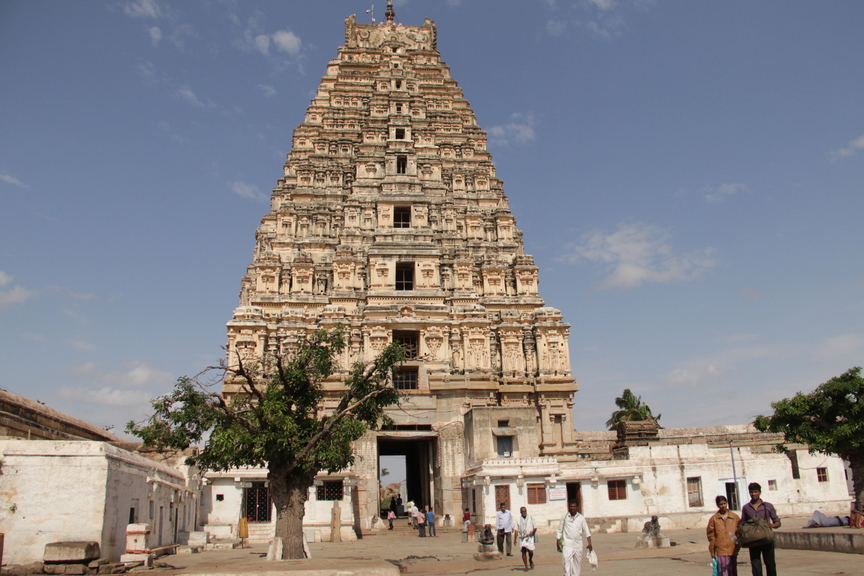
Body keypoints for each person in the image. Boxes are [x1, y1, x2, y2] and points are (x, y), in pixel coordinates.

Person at [740, 483, 780, 576]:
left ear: (760, 492)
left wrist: (772, 525)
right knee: (756, 567)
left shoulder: (768, 506)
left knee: (770, 566)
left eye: (755, 492)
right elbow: (743, 523)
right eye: (751, 492)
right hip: (753, 541)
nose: (753, 494)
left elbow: (778, 522)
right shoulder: (746, 508)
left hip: (767, 540)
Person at [556, 499, 593, 576]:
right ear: (569, 507)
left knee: (577, 565)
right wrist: (558, 540)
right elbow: (559, 530)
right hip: (567, 544)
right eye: (571, 506)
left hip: (578, 545)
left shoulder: (581, 518)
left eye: (574, 506)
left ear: (577, 507)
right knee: (566, 562)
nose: (572, 508)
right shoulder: (565, 517)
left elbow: (586, 531)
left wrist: (589, 543)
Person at [707, 495, 740, 576]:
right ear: (718, 505)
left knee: (733, 571)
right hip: (721, 549)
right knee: (723, 572)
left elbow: (738, 532)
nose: (723, 506)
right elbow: (711, 536)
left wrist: (737, 545)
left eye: (724, 503)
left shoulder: (734, 517)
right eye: (721, 504)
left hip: (732, 549)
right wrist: (712, 551)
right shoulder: (714, 519)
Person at [516, 506, 537, 571]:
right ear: (520, 512)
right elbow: (516, 530)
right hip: (522, 538)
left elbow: (535, 527)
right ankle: (526, 566)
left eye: (525, 511)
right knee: (523, 551)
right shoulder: (518, 520)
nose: (524, 512)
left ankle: (530, 559)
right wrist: (514, 539)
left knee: (530, 551)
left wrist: (532, 532)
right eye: (523, 511)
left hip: (529, 537)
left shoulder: (531, 518)